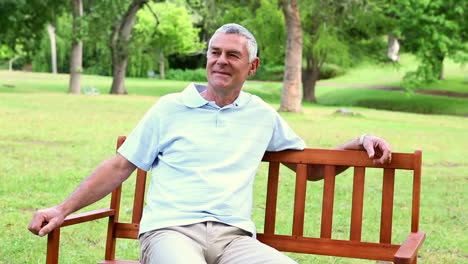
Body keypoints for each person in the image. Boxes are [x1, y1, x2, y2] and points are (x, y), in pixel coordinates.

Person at [28, 23, 391, 264]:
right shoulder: (170, 107)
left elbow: (311, 170)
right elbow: (121, 165)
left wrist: (359, 142)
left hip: (234, 240)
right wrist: (62, 209)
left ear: (252, 66)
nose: (220, 61)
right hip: (170, 231)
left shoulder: (261, 115)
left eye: (233, 55)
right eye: (215, 52)